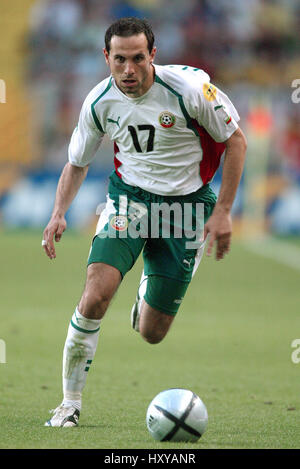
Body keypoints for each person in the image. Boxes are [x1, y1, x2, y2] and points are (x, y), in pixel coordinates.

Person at [42, 17, 247, 427]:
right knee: (96, 294)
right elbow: (77, 162)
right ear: (107, 57)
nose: (129, 70)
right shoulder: (98, 101)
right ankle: (68, 404)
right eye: (120, 59)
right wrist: (58, 212)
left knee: (153, 333)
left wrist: (222, 212)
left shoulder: (189, 91)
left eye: (138, 58)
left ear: (153, 55)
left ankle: (145, 298)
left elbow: (236, 141)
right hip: (129, 203)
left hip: (187, 208)